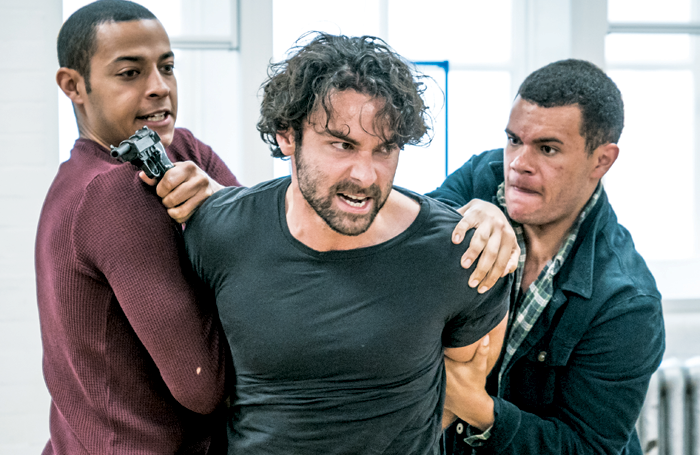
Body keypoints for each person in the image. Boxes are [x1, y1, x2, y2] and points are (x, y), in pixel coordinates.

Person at [182, 32, 512, 454]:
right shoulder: (221, 231)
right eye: (342, 144)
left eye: (384, 149)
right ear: (287, 136)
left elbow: (460, 391)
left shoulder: (460, 254)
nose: (366, 175)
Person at [35, 1, 241, 453]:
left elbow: (268, 242)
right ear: (74, 85)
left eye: (167, 67)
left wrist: (220, 204)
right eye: (130, 73)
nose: (160, 88)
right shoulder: (112, 191)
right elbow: (202, 385)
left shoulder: (183, 148)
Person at [431, 59, 665, 454]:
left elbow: (586, 448)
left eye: (548, 149)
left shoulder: (626, 304)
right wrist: (466, 213)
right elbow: (413, 234)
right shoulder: (481, 178)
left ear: (601, 160)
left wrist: (476, 408)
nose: (519, 164)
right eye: (514, 140)